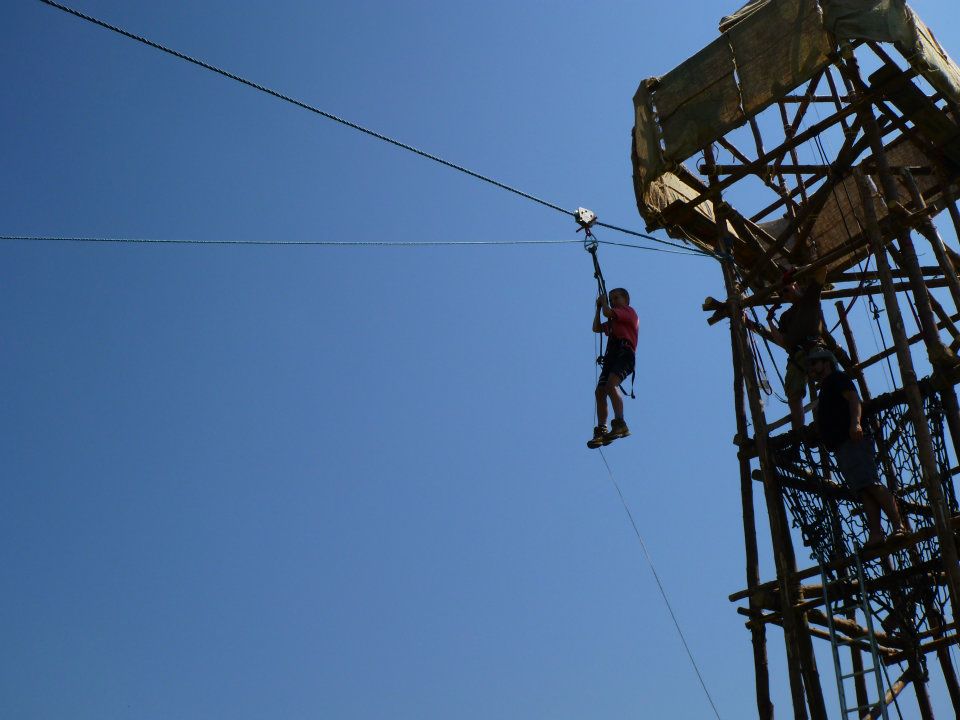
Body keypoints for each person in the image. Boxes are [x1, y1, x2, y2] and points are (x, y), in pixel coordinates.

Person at [808, 346, 908, 548]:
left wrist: (856, 423)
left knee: (870, 483)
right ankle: (876, 534)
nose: (812, 369)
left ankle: (899, 526)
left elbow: (854, 399)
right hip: (841, 445)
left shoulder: (837, 378)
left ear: (826, 363)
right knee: (863, 490)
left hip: (853, 439)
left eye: (814, 363)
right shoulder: (825, 390)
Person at [767, 268, 828, 436]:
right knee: (793, 395)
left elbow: (822, 270)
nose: (784, 294)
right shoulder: (785, 316)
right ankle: (798, 434)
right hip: (797, 355)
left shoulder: (810, 297)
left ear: (795, 285)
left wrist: (796, 272)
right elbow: (783, 342)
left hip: (815, 348)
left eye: (785, 289)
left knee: (828, 381)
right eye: (781, 293)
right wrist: (770, 321)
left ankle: (834, 412)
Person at [587, 288, 638, 449]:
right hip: (612, 356)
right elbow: (596, 328)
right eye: (611, 299)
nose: (613, 301)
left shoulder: (628, 312)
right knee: (600, 391)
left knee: (611, 385)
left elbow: (607, 312)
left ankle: (620, 422)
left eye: (617, 298)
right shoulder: (613, 321)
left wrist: (603, 304)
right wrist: (598, 308)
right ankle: (602, 428)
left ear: (626, 300)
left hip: (624, 353)